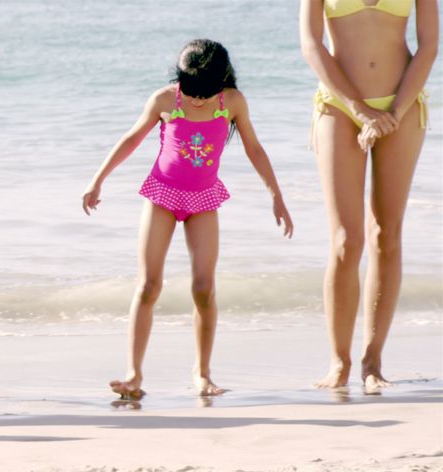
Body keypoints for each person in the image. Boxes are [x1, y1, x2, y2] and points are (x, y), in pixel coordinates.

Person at [81, 39, 294, 399]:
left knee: (204, 289)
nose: (197, 100)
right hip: (162, 196)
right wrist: (97, 179)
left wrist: (276, 195)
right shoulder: (166, 99)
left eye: (205, 93)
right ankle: (134, 374)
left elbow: (254, 149)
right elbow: (132, 138)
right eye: (192, 92)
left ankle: (202, 373)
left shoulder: (232, 103)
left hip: (204, 200)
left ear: (222, 81)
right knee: (148, 285)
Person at [300, 0, 437, 393]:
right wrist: (359, 110)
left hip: (402, 107)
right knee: (346, 240)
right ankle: (338, 361)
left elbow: (428, 46)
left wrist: (392, 112)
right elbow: (311, 44)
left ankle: (373, 361)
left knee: (387, 234)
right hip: (339, 108)